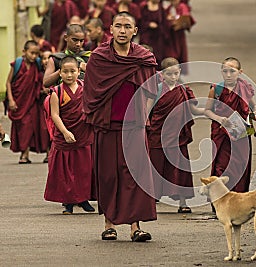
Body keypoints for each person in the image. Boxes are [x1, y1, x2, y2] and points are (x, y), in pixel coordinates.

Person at [83, 11, 157, 242]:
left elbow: (151, 91)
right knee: (108, 175)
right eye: (118, 26)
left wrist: (145, 117)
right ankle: (109, 224)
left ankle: (136, 227)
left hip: (134, 126)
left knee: (135, 175)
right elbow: (90, 92)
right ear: (111, 30)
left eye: (127, 26)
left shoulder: (143, 58)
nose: (122, 31)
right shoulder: (100, 58)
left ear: (135, 31)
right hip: (107, 126)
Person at [147, 57, 203, 213]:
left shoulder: (184, 89)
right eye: (169, 74)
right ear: (162, 74)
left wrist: (212, 114)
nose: (173, 77)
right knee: (155, 167)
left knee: (180, 168)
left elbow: (194, 110)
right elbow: (147, 111)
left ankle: (183, 202)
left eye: (176, 73)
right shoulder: (156, 89)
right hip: (157, 134)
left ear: (179, 72)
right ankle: (150, 202)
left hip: (179, 135)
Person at [44, 56, 95, 214]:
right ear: (60, 73)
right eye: (65, 72)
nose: (69, 75)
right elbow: (55, 115)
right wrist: (65, 132)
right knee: (65, 171)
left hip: (83, 133)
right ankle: (68, 202)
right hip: (64, 135)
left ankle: (83, 198)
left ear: (79, 71)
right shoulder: (56, 92)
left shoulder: (85, 87)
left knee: (84, 169)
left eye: (73, 71)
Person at [204, 57, 256, 196]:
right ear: (221, 72)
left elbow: (253, 106)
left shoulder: (244, 88)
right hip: (221, 133)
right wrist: (219, 119)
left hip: (240, 133)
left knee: (240, 165)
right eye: (225, 71)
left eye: (232, 71)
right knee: (221, 166)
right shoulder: (216, 89)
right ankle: (220, 198)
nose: (228, 75)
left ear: (240, 72)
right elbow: (207, 110)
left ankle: (239, 200)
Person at [5, 40, 48, 164]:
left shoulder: (37, 64)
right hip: (19, 101)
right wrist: (11, 100)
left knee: (32, 127)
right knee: (23, 127)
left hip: (33, 102)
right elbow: (8, 82)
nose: (34, 56)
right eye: (31, 53)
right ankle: (24, 155)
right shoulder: (17, 64)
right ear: (24, 52)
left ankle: (28, 154)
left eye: (36, 54)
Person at [165, 0, 195, 75]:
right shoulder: (169, 7)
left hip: (178, 35)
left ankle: (178, 71)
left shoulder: (182, 6)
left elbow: (186, 17)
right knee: (171, 52)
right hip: (171, 34)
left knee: (179, 52)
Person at [139, 0, 169, 69]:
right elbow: (139, 21)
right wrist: (148, 24)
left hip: (158, 38)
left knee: (158, 57)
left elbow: (164, 23)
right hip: (146, 37)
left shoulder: (161, 8)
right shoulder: (144, 7)